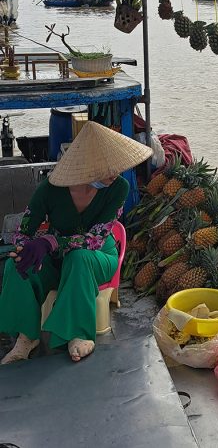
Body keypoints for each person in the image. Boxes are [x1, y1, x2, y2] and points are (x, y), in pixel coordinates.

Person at [0, 121, 152, 364]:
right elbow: (24, 230)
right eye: (104, 168)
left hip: (98, 257)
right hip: (58, 258)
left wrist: (50, 242)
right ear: (86, 168)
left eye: (115, 166)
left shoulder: (119, 189)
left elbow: (94, 240)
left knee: (79, 257)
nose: (113, 173)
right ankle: (26, 337)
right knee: (16, 266)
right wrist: (25, 248)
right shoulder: (49, 190)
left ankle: (79, 333)